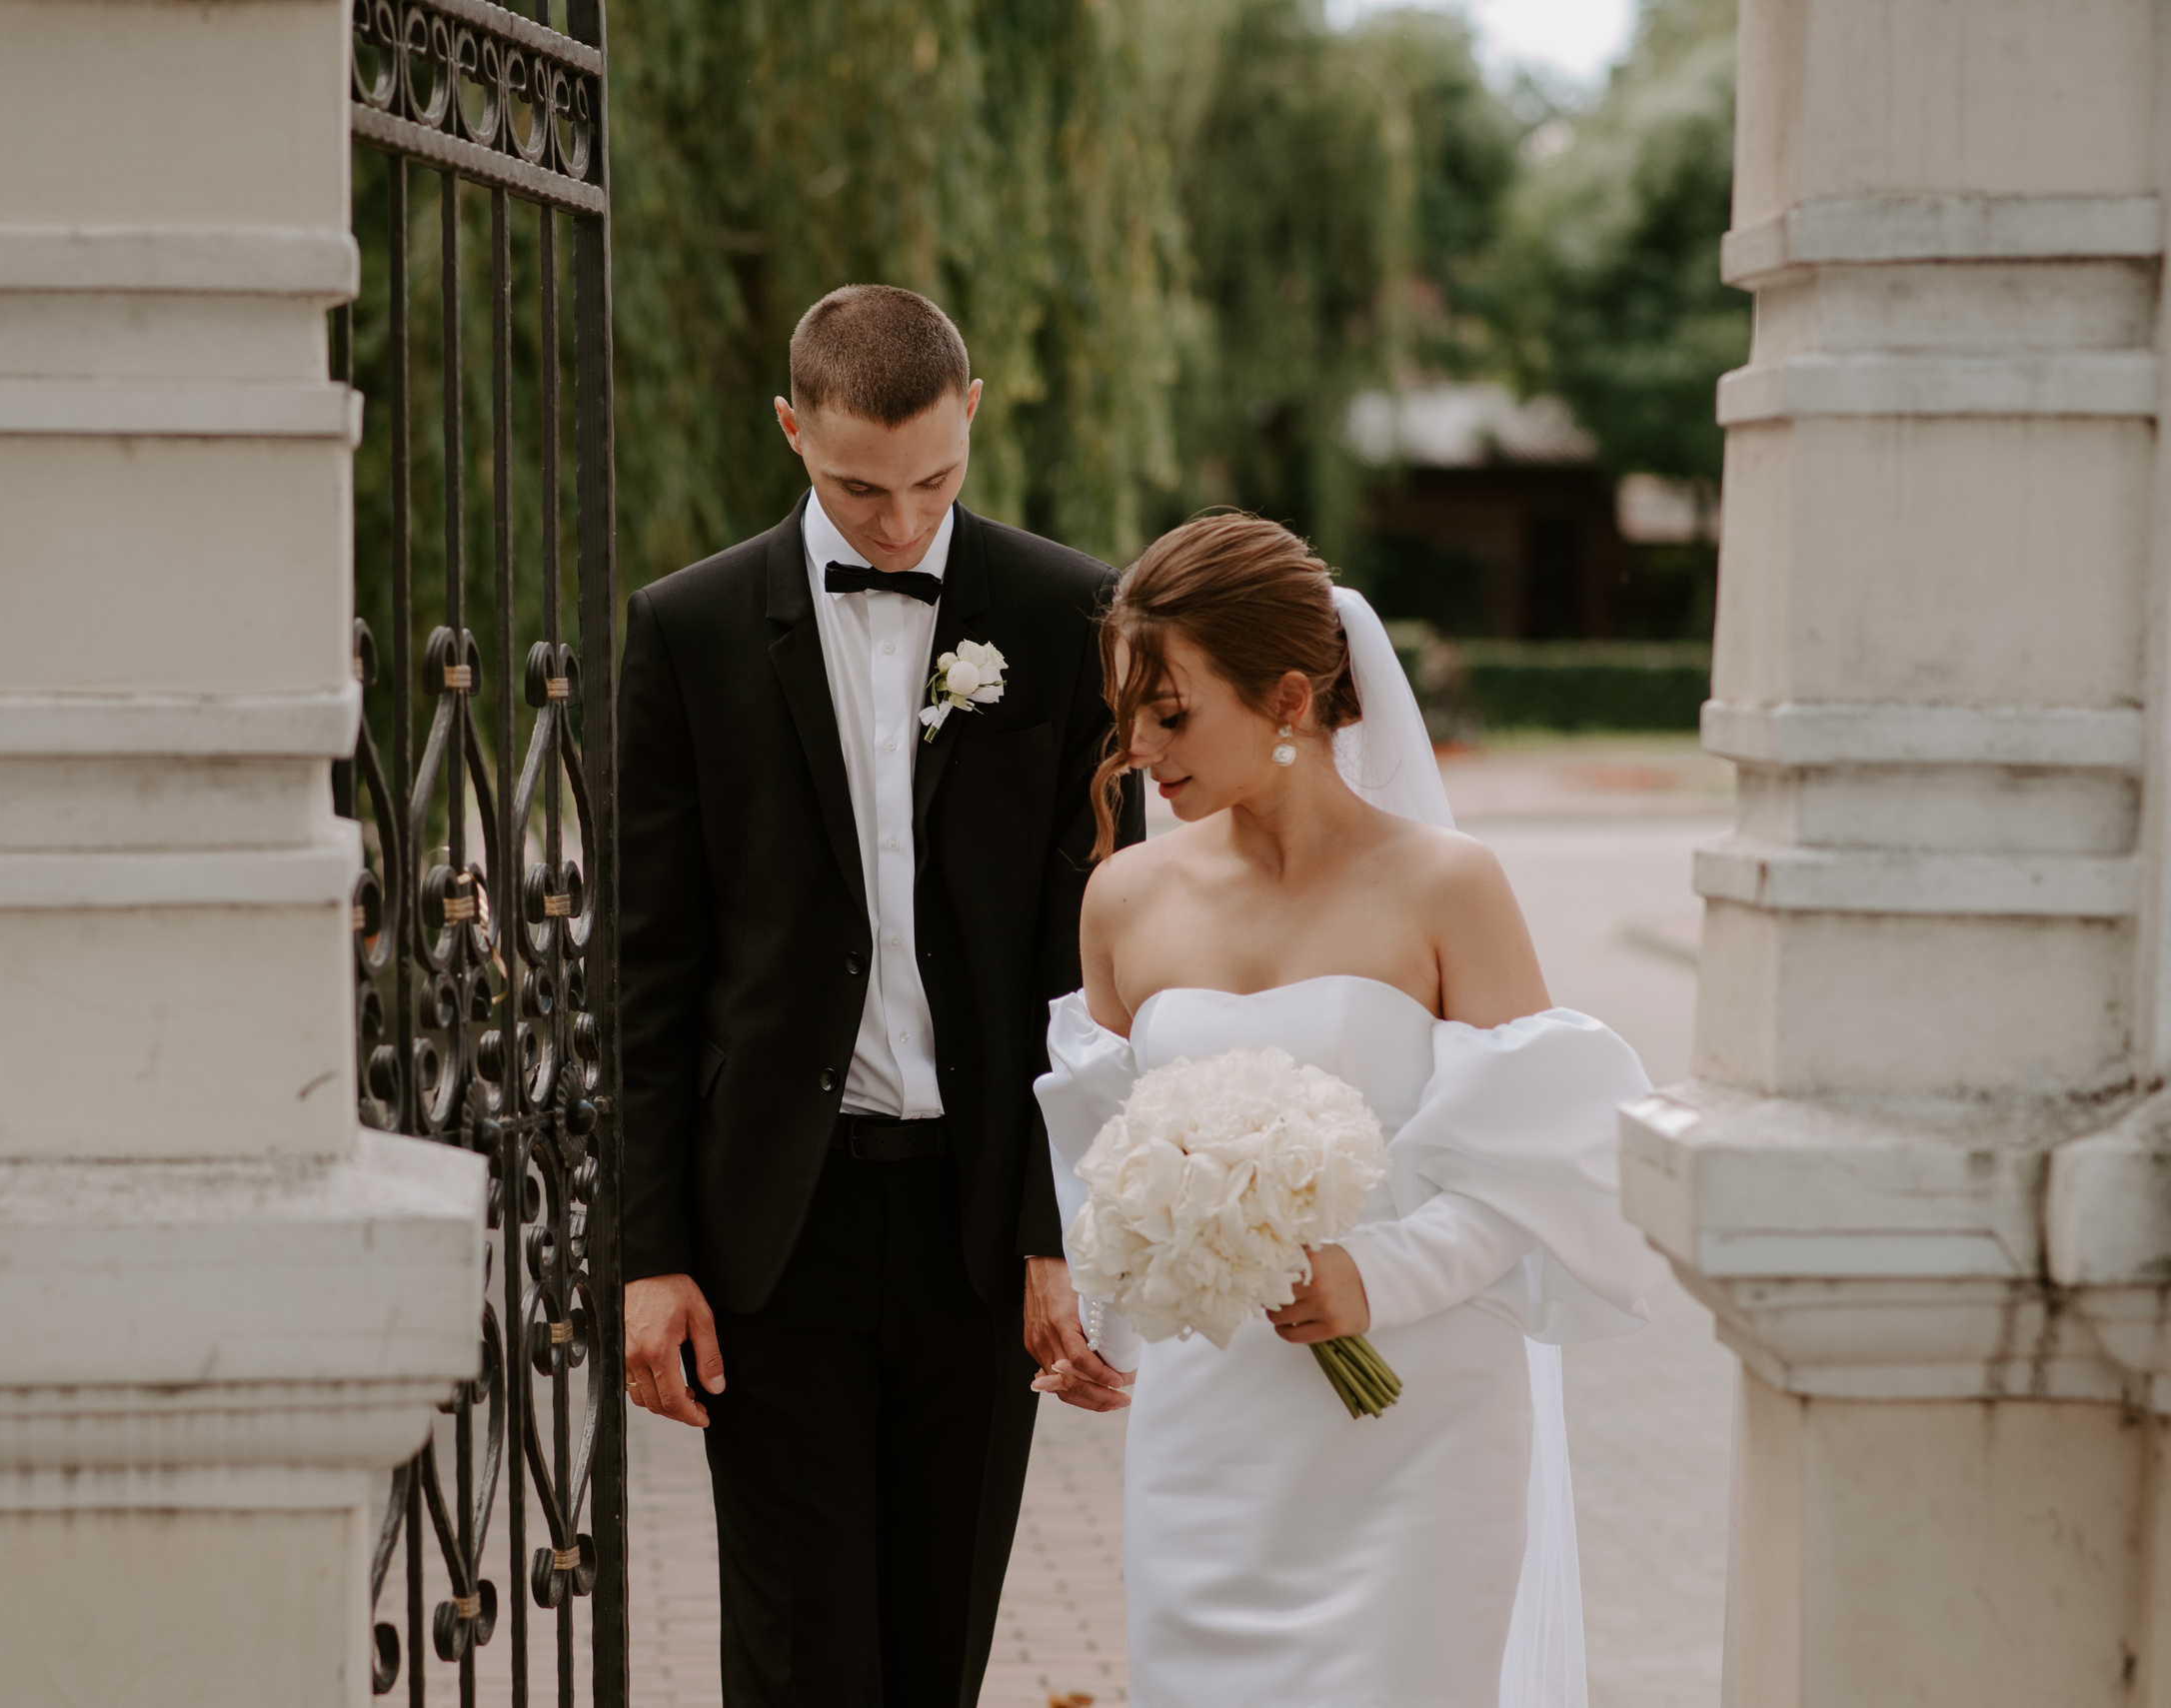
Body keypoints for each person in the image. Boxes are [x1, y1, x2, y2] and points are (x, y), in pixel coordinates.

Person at [1032, 513, 1668, 1706]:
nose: (1137, 748)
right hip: (1210, 1430)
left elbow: (1539, 1174)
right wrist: (1099, 1318)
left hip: (1419, 1425)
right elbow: (1107, 1155)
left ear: (1285, 700)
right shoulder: (1121, 897)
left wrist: (1377, 1278)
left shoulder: (1446, 884)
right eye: (1126, 710)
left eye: (1170, 712)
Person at [616, 284, 1145, 1706]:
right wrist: (648, 1249)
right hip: (774, 1234)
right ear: (792, 429)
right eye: (858, 486)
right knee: (800, 1658)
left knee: (934, 1648)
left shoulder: (1071, 611)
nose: (899, 523)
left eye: (933, 481)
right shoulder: (689, 630)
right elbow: (651, 969)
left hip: (979, 1224)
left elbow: (1093, 955)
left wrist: (1058, 1228)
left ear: (971, 415)